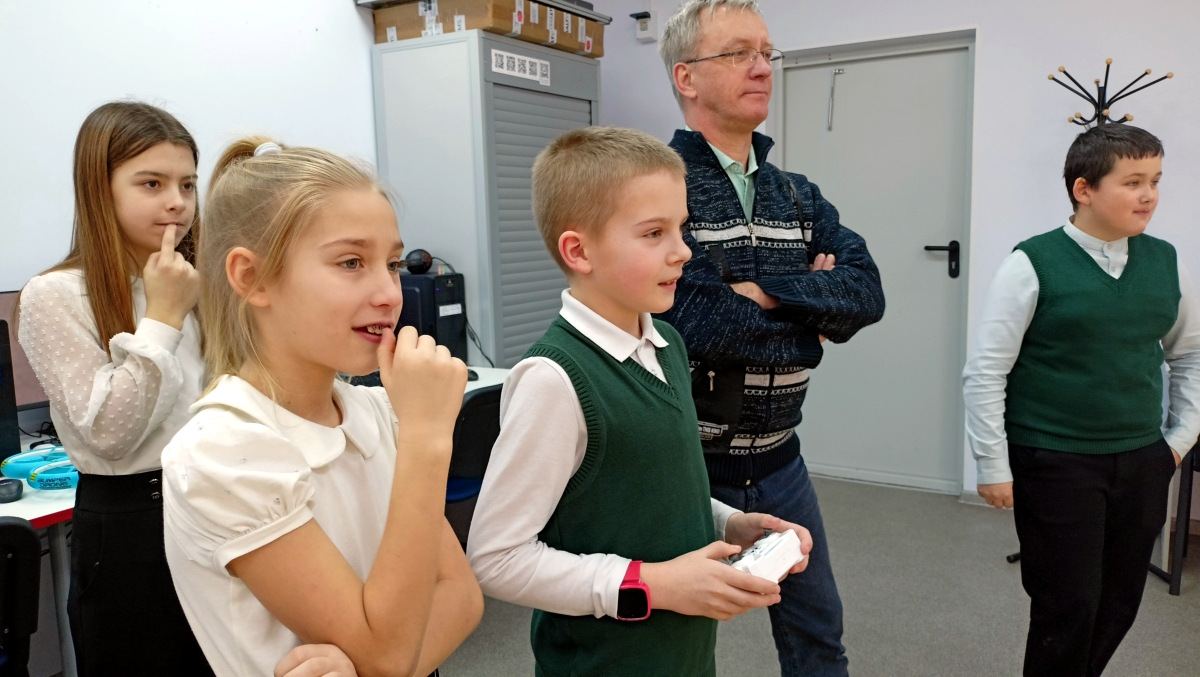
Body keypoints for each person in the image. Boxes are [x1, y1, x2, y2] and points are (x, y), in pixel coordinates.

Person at [467, 125, 813, 677]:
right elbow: (496, 559)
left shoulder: (667, 344)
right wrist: (653, 585)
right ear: (579, 251)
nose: (683, 251)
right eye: (654, 233)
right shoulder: (553, 379)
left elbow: (654, 492)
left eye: (681, 228)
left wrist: (727, 524)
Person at [161, 137, 483, 677]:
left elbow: (461, 595)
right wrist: (428, 437)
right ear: (252, 277)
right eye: (351, 262)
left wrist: (374, 667)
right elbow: (387, 654)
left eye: (392, 263)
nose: (390, 293)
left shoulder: (375, 412)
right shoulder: (224, 448)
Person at [655, 2, 885, 675]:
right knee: (674, 648)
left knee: (819, 639)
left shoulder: (799, 195)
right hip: (684, 468)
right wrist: (811, 321)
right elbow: (702, 322)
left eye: (766, 52)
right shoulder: (658, 187)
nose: (761, 68)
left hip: (782, 463)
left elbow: (865, 295)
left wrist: (770, 293)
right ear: (686, 77)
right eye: (738, 53)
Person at [963, 123, 1200, 676]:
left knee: (1119, 601)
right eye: (1133, 182)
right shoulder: (1033, 263)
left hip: (1142, 458)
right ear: (1084, 189)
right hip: (1055, 460)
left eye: (1155, 181)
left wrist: (1178, 440)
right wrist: (992, 463)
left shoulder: (1167, 262)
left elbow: (1189, 355)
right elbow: (987, 371)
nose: (1149, 195)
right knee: (1066, 605)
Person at [16, 101, 213, 676]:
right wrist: (165, 317)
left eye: (187, 184)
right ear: (99, 190)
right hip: (132, 526)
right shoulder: (55, 294)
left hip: (216, 505)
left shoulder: (196, 281)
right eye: (152, 183)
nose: (177, 202)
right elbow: (109, 432)